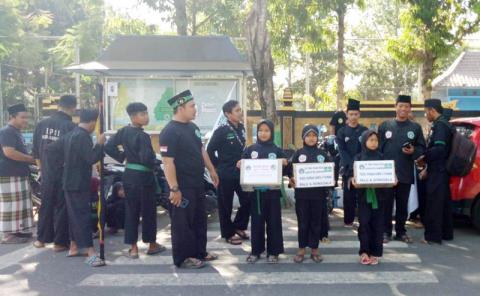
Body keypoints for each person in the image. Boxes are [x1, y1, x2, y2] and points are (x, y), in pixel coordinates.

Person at [159, 90, 220, 269]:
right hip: (181, 186)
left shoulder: (193, 128)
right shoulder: (169, 131)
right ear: (180, 108)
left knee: (199, 219)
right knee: (182, 223)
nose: (195, 110)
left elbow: (201, 150)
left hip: (197, 183)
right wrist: (174, 189)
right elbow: (167, 163)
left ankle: (199, 252)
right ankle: (183, 258)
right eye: (192, 106)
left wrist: (211, 169)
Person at [105, 102, 166, 259]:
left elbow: (109, 146)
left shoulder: (123, 131)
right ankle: (152, 244)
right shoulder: (144, 136)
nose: (146, 117)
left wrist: (123, 157)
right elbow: (147, 158)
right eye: (142, 114)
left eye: (146, 113)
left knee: (131, 212)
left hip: (129, 176)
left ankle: (133, 248)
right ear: (133, 117)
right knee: (148, 212)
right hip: (144, 178)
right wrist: (156, 162)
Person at [47, 109, 106, 267]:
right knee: (82, 216)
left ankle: (73, 247)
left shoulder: (70, 135)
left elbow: (50, 149)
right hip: (78, 183)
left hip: (68, 182)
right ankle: (90, 253)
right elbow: (91, 158)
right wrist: (99, 145)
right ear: (93, 122)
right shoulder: (82, 136)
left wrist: (63, 166)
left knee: (74, 215)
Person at [378, 95, 426, 243]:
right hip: (387, 173)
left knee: (402, 205)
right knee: (386, 204)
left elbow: (422, 148)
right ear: (395, 107)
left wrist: (413, 151)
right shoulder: (385, 126)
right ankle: (386, 232)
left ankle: (400, 231)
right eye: (401, 105)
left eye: (406, 106)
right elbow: (377, 148)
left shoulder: (415, 127)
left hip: (405, 171)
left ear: (410, 108)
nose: (403, 109)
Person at [32, 95, 77, 251]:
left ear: (59, 105)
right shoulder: (70, 126)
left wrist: (41, 170)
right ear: (72, 108)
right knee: (62, 206)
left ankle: (41, 240)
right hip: (65, 172)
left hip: (46, 172)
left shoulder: (42, 124)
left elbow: (35, 152)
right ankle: (59, 243)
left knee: (46, 205)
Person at [240, 119, 287, 264]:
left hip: (272, 194)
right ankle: (256, 251)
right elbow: (244, 166)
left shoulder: (277, 150)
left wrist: (285, 163)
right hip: (256, 195)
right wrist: (240, 163)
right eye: (260, 130)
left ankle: (274, 252)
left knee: (274, 222)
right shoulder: (250, 149)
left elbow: (285, 169)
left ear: (271, 132)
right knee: (256, 223)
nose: (263, 133)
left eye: (267, 130)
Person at [207, 100, 250, 245]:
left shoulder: (242, 128)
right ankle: (228, 233)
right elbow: (209, 150)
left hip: (241, 172)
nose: (240, 112)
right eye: (237, 110)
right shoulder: (221, 130)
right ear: (227, 114)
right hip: (224, 173)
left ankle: (238, 226)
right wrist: (217, 168)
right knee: (225, 205)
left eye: (240, 110)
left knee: (248, 199)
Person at [288, 125, 332, 263]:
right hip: (302, 196)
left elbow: (330, 172)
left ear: (317, 138)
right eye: (308, 135)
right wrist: (292, 180)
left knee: (316, 223)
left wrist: (330, 179)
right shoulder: (298, 154)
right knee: (303, 223)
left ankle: (314, 249)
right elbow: (290, 171)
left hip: (318, 196)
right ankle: (301, 249)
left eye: (314, 135)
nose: (311, 138)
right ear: (303, 137)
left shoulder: (323, 154)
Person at [417, 99, 454, 245]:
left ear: (432, 110)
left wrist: (424, 157)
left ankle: (432, 236)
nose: (426, 115)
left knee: (434, 203)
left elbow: (439, 149)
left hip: (438, 170)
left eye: (426, 112)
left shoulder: (440, 126)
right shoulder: (445, 123)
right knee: (444, 203)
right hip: (442, 169)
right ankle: (446, 233)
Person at [0, 104, 35, 244]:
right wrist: (32, 160)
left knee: (20, 204)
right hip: (9, 173)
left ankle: (17, 230)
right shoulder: (7, 131)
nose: (25, 120)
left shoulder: (15, 131)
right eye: (22, 117)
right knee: (11, 204)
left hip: (18, 173)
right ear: (12, 117)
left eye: (27, 117)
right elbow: (9, 152)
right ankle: (8, 235)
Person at [351, 130, 387, 265]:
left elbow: (389, 174)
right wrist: (353, 180)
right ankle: (364, 252)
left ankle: (375, 253)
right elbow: (353, 175)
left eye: (376, 140)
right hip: (363, 197)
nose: (374, 143)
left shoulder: (382, 158)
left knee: (378, 225)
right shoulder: (358, 158)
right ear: (364, 141)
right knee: (364, 224)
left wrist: (393, 179)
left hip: (380, 197)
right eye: (371, 140)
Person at [336, 99, 368, 227]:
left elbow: (366, 148)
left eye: (356, 114)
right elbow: (341, 150)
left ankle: (363, 218)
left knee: (362, 195)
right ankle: (348, 220)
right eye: (351, 114)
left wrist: (358, 163)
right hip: (348, 168)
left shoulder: (364, 130)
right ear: (347, 115)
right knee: (348, 195)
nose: (353, 117)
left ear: (359, 114)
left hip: (362, 167)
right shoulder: (342, 132)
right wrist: (350, 164)